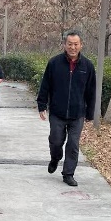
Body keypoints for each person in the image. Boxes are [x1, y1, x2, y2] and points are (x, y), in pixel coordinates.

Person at [36, 30, 96, 187]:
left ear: (81, 45)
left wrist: (90, 113)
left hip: (78, 113)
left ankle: (68, 174)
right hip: (57, 112)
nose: (73, 47)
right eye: (70, 44)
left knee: (73, 144)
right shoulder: (54, 63)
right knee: (56, 141)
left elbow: (91, 91)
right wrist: (42, 105)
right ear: (64, 44)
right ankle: (55, 158)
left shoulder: (87, 66)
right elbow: (45, 85)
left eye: (76, 44)